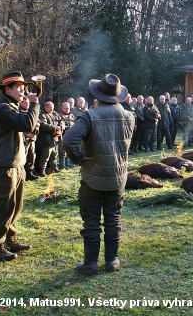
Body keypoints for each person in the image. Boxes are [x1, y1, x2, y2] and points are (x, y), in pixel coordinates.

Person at [63, 73, 134, 275]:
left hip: (93, 177)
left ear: (98, 95)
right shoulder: (129, 116)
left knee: (92, 221)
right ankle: (112, 261)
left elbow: (69, 140)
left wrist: (79, 158)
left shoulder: (89, 116)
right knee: (113, 219)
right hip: (118, 176)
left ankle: (90, 264)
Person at [0, 71, 40, 261]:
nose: (23, 91)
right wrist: (34, 104)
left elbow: (27, 126)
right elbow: (26, 124)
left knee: (16, 206)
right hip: (4, 165)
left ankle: (10, 238)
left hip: (15, 164)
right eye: (18, 87)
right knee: (4, 206)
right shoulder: (2, 108)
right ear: (7, 89)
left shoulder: (11, 106)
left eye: (24, 87)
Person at [36, 101, 63, 176]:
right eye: (50, 108)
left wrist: (61, 124)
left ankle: (54, 167)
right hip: (46, 139)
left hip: (54, 139)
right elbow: (43, 125)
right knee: (45, 156)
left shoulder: (54, 113)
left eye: (53, 108)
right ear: (45, 107)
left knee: (54, 154)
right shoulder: (42, 114)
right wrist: (55, 127)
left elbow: (60, 120)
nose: (52, 109)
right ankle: (42, 170)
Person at [20, 97, 40, 180]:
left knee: (31, 156)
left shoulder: (31, 112)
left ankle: (29, 172)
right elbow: (19, 127)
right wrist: (25, 135)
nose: (27, 104)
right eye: (25, 103)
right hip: (24, 140)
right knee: (23, 157)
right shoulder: (18, 112)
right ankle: (22, 175)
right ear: (21, 103)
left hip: (32, 139)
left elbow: (37, 122)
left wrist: (36, 130)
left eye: (28, 103)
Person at [59, 102, 76, 168]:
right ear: (62, 108)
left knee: (69, 150)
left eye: (68, 108)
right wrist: (71, 128)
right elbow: (62, 126)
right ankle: (62, 165)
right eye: (65, 108)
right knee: (63, 151)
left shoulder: (71, 115)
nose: (67, 110)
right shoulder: (60, 116)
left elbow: (75, 122)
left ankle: (68, 163)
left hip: (71, 135)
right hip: (64, 135)